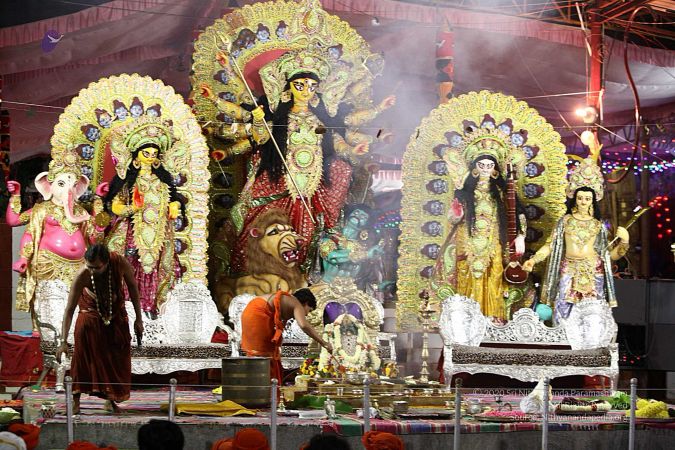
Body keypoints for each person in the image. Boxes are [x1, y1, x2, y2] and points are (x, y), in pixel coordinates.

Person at [203, 47, 394, 273]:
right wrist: (254, 118)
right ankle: (256, 269)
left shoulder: (321, 118)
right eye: (300, 85)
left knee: (321, 209)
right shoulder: (277, 116)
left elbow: (336, 143)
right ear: (288, 88)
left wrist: (355, 150)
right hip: (278, 178)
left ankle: (302, 271)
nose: (306, 91)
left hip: (314, 184)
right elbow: (260, 137)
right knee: (264, 222)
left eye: (312, 86)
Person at [523, 167, 629, 323]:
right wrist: (534, 260)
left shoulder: (598, 225)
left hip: (593, 270)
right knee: (563, 309)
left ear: (593, 201)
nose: (583, 202)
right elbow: (550, 245)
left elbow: (610, 255)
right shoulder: (565, 221)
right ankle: (564, 336)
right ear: (575, 199)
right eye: (580, 198)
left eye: (587, 198)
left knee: (592, 313)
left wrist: (625, 241)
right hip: (569, 269)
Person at [103, 131, 184, 317]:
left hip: (159, 232)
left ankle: (151, 307)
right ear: (136, 155)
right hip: (132, 232)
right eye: (146, 153)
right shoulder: (128, 179)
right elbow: (115, 205)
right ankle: (127, 307)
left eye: (154, 154)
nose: (150, 158)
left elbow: (175, 198)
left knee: (155, 269)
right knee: (130, 265)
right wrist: (132, 208)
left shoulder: (162, 180)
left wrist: (175, 205)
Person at [56, 244, 143, 414]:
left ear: (106, 262)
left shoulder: (119, 263)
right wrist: (63, 342)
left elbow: (133, 287)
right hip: (89, 318)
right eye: (89, 266)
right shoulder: (83, 275)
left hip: (115, 317)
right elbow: (69, 309)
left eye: (96, 268)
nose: (92, 271)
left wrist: (139, 319)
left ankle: (110, 400)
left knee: (116, 358)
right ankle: (75, 403)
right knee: (81, 360)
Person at [439, 154, 525, 321]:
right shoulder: (464, 192)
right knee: (466, 273)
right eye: (482, 165)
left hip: (494, 238)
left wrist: (521, 235)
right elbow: (452, 219)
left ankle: (494, 317)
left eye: (489, 165)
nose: (485, 169)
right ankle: (466, 319)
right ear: (474, 167)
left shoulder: (503, 192)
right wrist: (457, 212)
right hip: (468, 239)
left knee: (495, 273)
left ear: (495, 169)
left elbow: (518, 214)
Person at [240, 288, 333, 383]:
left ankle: (264, 384)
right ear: (306, 303)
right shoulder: (296, 303)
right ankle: (262, 385)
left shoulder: (288, 302)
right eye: (309, 310)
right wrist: (324, 343)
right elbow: (304, 325)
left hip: (251, 311)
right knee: (263, 354)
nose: (306, 314)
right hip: (258, 313)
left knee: (267, 353)